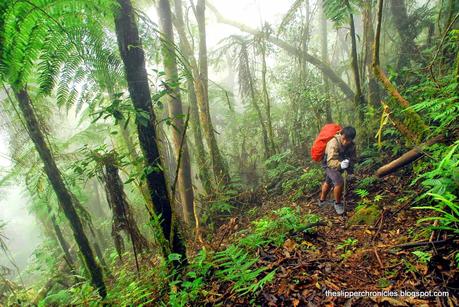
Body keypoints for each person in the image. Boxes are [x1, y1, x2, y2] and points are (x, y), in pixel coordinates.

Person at [318, 126, 357, 215]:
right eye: (344, 139)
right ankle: (338, 203)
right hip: (329, 164)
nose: (345, 142)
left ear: (352, 139)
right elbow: (330, 161)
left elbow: (354, 158)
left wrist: (349, 162)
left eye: (348, 140)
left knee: (328, 181)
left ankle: (322, 200)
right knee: (339, 182)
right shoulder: (333, 142)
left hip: (340, 162)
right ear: (341, 134)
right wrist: (340, 165)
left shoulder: (352, 145)